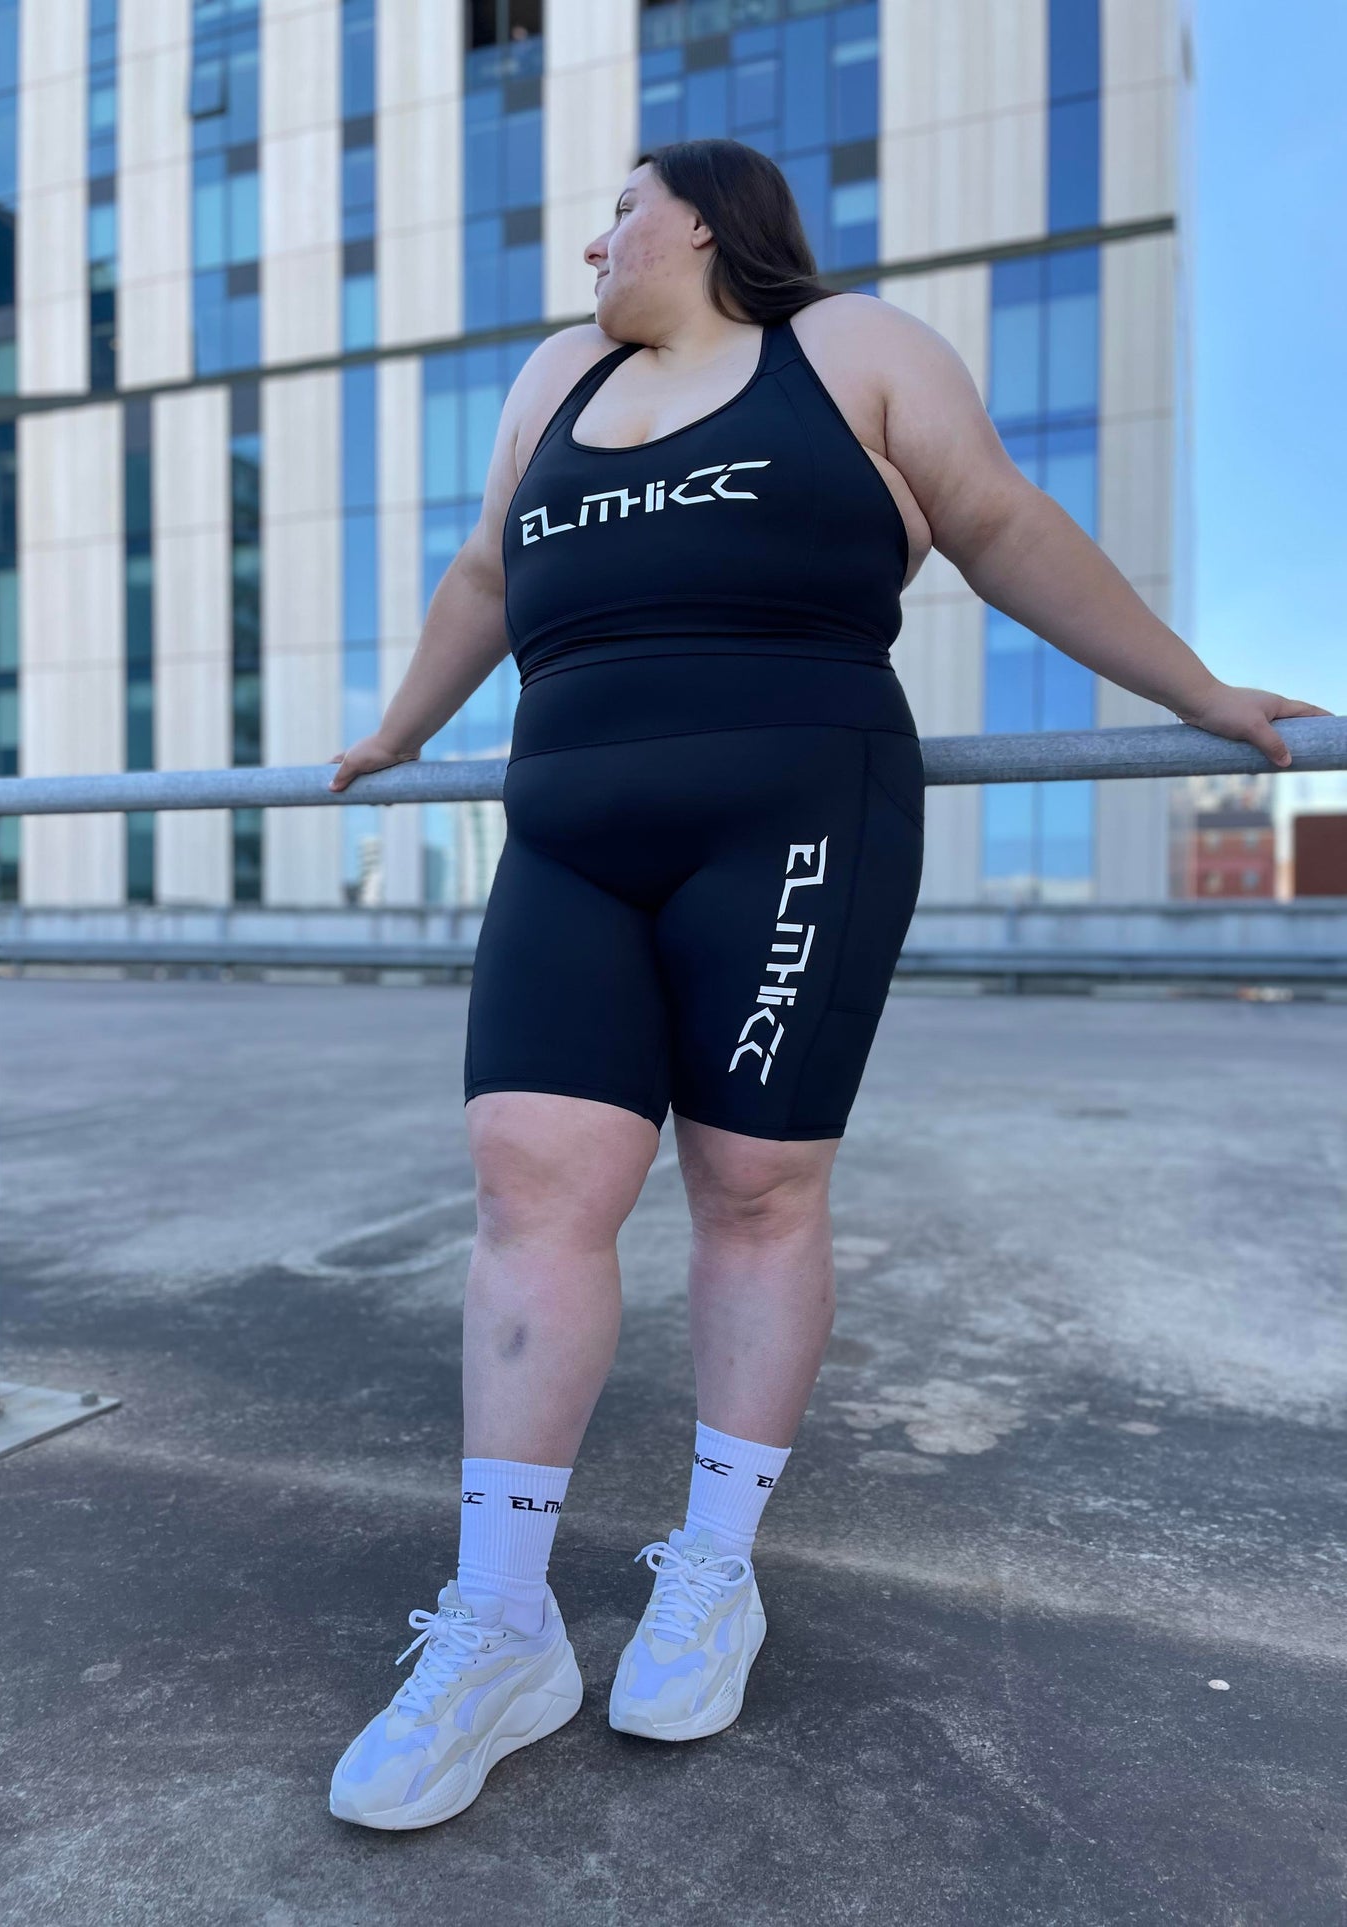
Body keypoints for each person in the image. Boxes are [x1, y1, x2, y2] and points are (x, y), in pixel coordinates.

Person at [323, 138, 1330, 1830]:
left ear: (706, 217)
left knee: (754, 1184)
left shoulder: (851, 349)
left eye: (619, 211)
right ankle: (498, 1627)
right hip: (567, 830)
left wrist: (1199, 694)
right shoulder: (557, 379)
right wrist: (396, 732)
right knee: (528, 1179)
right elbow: (487, 573)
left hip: (792, 819)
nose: (591, 245)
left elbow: (1001, 523)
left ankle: (713, 1571)